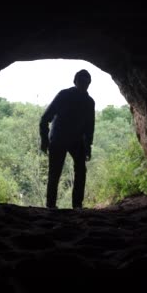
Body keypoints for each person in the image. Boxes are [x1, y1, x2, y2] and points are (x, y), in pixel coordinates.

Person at [40, 69, 95, 209]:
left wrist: (88, 146)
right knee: (55, 171)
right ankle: (52, 205)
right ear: (75, 81)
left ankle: (76, 205)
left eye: (86, 82)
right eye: (81, 81)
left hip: (74, 140)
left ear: (89, 83)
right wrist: (44, 140)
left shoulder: (89, 102)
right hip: (59, 138)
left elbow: (89, 127)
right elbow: (45, 118)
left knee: (79, 171)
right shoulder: (64, 95)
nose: (84, 84)